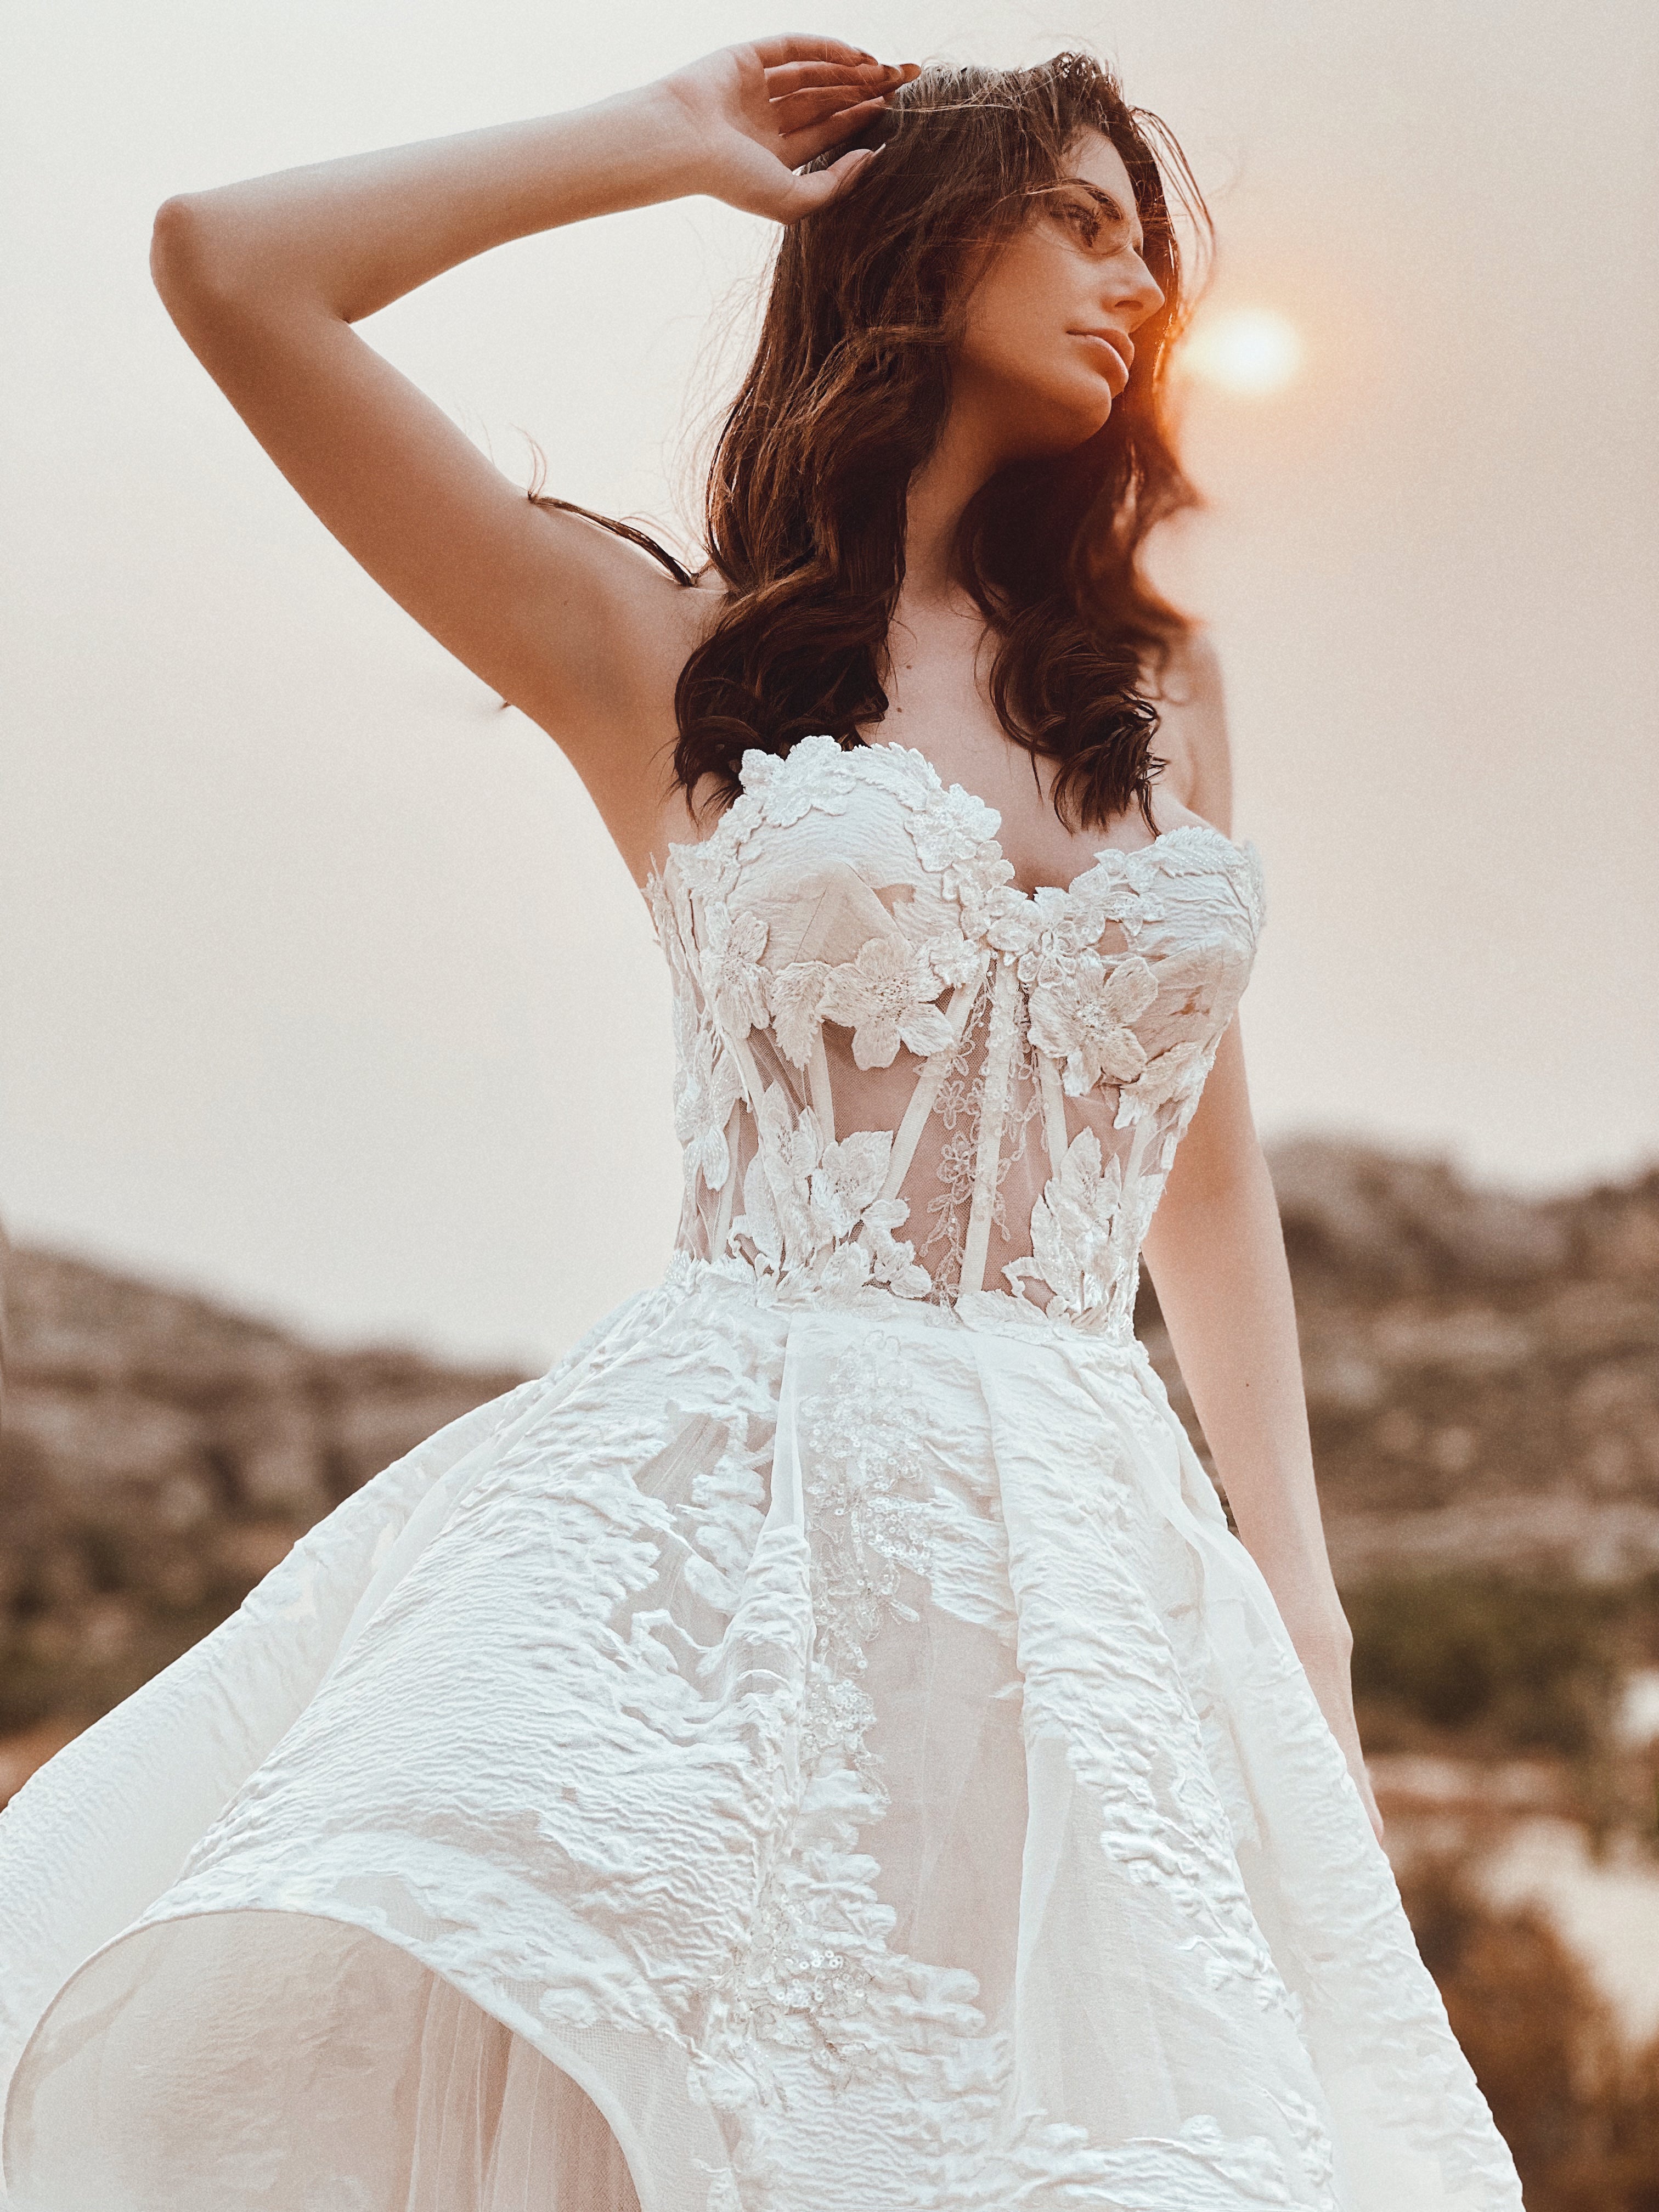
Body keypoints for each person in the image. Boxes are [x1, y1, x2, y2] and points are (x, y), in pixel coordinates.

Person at [0, 37, 1523, 2212]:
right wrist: (658, 148)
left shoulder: (1158, 690)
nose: (1130, 285)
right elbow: (235, 269)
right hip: (730, 1527)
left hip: (1090, 1562)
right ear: (922, 247)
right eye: (1078, 221)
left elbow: (1198, 1148)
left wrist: (1300, 1593)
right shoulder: (658, 646)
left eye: (1146, 248)